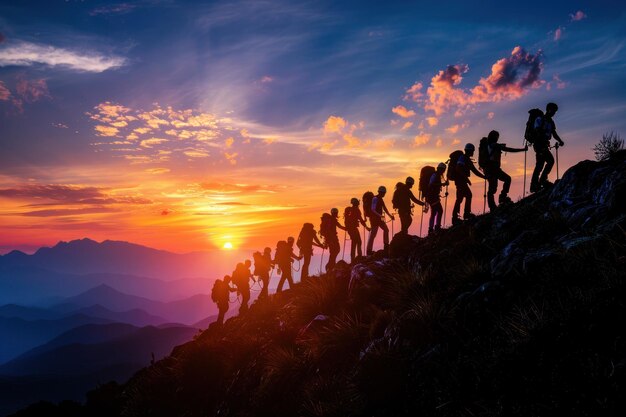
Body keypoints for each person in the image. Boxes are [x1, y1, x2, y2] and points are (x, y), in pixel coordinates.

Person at [483, 130, 527, 210]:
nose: (497, 138)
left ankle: (496, 203)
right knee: (497, 185)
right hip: (493, 168)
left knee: (493, 187)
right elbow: (509, 149)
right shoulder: (495, 145)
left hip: (492, 169)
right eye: (497, 136)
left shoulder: (490, 146)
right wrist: (522, 150)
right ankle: (500, 199)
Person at [530, 102, 565, 192]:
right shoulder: (540, 119)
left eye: (555, 111)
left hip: (543, 144)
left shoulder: (551, 122)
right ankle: (539, 182)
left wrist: (560, 141)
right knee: (546, 162)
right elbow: (536, 131)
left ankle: (537, 183)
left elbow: (554, 133)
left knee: (542, 163)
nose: (554, 113)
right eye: (553, 110)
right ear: (549, 109)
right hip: (539, 144)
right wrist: (542, 140)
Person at [452, 143, 487, 225]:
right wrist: (466, 178)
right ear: (470, 151)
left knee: (462, 197)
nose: (473, 152)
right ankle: (462, 215)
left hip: (461, 181)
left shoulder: (467, 160)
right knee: (465, 196)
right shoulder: (462, 158)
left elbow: (475, 171)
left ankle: (459, 216)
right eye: (472, 151)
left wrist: (484, 177)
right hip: (460, 181)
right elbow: (458, 168)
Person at [366, 186, 394, 255]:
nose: (384, 194)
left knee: (386, 230)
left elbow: (384, 208)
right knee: (373, 234)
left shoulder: (380, 199)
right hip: (374, 219)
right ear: (382, 192)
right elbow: (373, 209)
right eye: (384, 193)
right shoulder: (375, 199)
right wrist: (380, 215)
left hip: (379, 218)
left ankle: (386, 246)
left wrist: (390, 216)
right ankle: (369, 250)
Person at [319, 208, 347, 272]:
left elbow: (338, 226)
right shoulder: (331, 220)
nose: (336, 214)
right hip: (332, 238)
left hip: (331, 238)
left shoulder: (332, 219)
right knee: (335, 251)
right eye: (335, 213)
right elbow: (337, 227)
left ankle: (331, 265)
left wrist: (345, 228)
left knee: (334, 251)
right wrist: (345, 228)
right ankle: (330, 266)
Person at [425, 163, 449, 234]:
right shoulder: (435, 175)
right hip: (433, 197)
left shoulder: (436, 175)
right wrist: (443, 184)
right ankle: (436, 227)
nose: (443, 171)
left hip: (432, 197)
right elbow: (431, 184)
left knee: (434, 212)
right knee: (439, 211)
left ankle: (431, 229)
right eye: (443, 170)